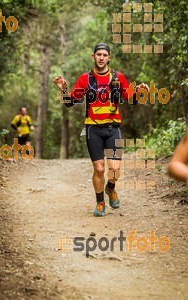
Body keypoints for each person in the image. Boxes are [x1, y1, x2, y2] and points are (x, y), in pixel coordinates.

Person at [53, 42, 149, 217]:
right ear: (93, 56)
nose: (102, 58)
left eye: (105, 55)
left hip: (113, 128)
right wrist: (63, 90)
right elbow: (69, 102)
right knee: (98, 169)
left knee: (114, 170)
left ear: (109, 58)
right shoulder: (85, 79)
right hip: (93, 129)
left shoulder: (118, 78)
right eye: (99, 55)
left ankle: (110, 188)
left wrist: (140, 92)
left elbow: (131, 99)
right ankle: (100, 203)